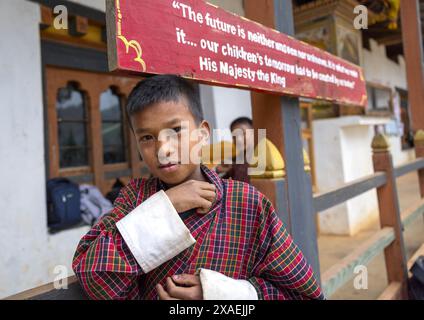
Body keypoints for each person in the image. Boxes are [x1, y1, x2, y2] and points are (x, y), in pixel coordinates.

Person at [72, 74, 324, 300]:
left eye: (175, 130)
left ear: (203, 133)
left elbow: (302, 294)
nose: (163, 149)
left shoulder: (245, 202)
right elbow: (93, 274)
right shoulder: (134, 198)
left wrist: (222, 294)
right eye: (147, 137)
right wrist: (166, 208)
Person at [216, 117, 254, 183]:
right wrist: (217, 171)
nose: (238, 139)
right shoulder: (234, 162)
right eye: (234, 136)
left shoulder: (261, 158)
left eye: (243, 133)